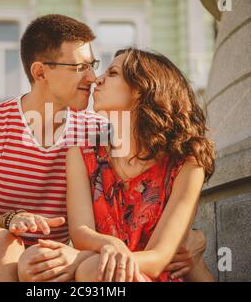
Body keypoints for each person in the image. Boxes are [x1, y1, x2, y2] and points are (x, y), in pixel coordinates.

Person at [0, 14, 210, 282]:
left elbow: (150, 171)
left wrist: (193, 238)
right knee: (4, 243)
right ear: (41, 72)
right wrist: (8, 220)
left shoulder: (96, 132)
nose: (93, 77)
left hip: (48, 264)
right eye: (80, 68)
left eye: (93, 65)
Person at [65, 48, 216, 282]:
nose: (97, 79)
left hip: (153, 277)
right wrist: (110, 245)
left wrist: (88, 263)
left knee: (93, 269)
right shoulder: (82, 153)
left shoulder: (186, 162)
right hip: (103, 271)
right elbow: (80, 232)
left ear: (141, 89)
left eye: (112, 73)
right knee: (90, 269)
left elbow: (158, 259)